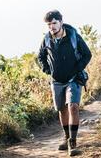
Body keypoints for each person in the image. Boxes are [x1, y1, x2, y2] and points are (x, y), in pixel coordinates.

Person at [38, 10, 92, 156]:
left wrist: (77, 68)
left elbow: (87, 54)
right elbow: (41, 57)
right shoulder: (47, 39)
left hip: (73, 79)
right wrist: (48, 70)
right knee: (62, 109)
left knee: (73, 106)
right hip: (56, 81)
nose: (52, 27)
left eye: (54, 23)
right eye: (49, 24)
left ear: (61, 22)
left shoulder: (73, 36)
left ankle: (72, 143)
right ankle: (66, 137)